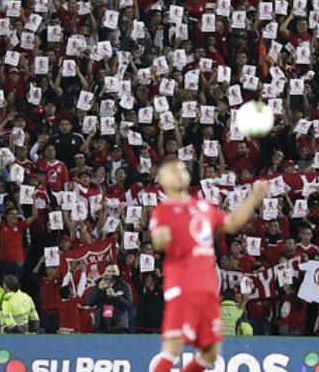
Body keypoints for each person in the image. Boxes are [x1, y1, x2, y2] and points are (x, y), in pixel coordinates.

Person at [147, 158, 268, 372]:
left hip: (207, 291)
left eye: (181, 169)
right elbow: (158, 240)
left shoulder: (202, 206)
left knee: (211, 352)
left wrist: (254, 196)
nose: (179, 172)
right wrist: (162, 238)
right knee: (173, 347)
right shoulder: (164, 210)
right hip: (183, 286)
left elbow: (231, 224)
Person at [84, 264, 133, 332]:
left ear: (118, 272)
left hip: (119, 327)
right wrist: (99, 289)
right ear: (105, 272)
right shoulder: (99, 284)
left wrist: (115, 296)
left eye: (113, 271)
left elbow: (129, 305)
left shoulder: (125, 286)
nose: (111, 274)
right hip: (101, 326)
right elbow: (89, 303)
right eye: (109, 271)